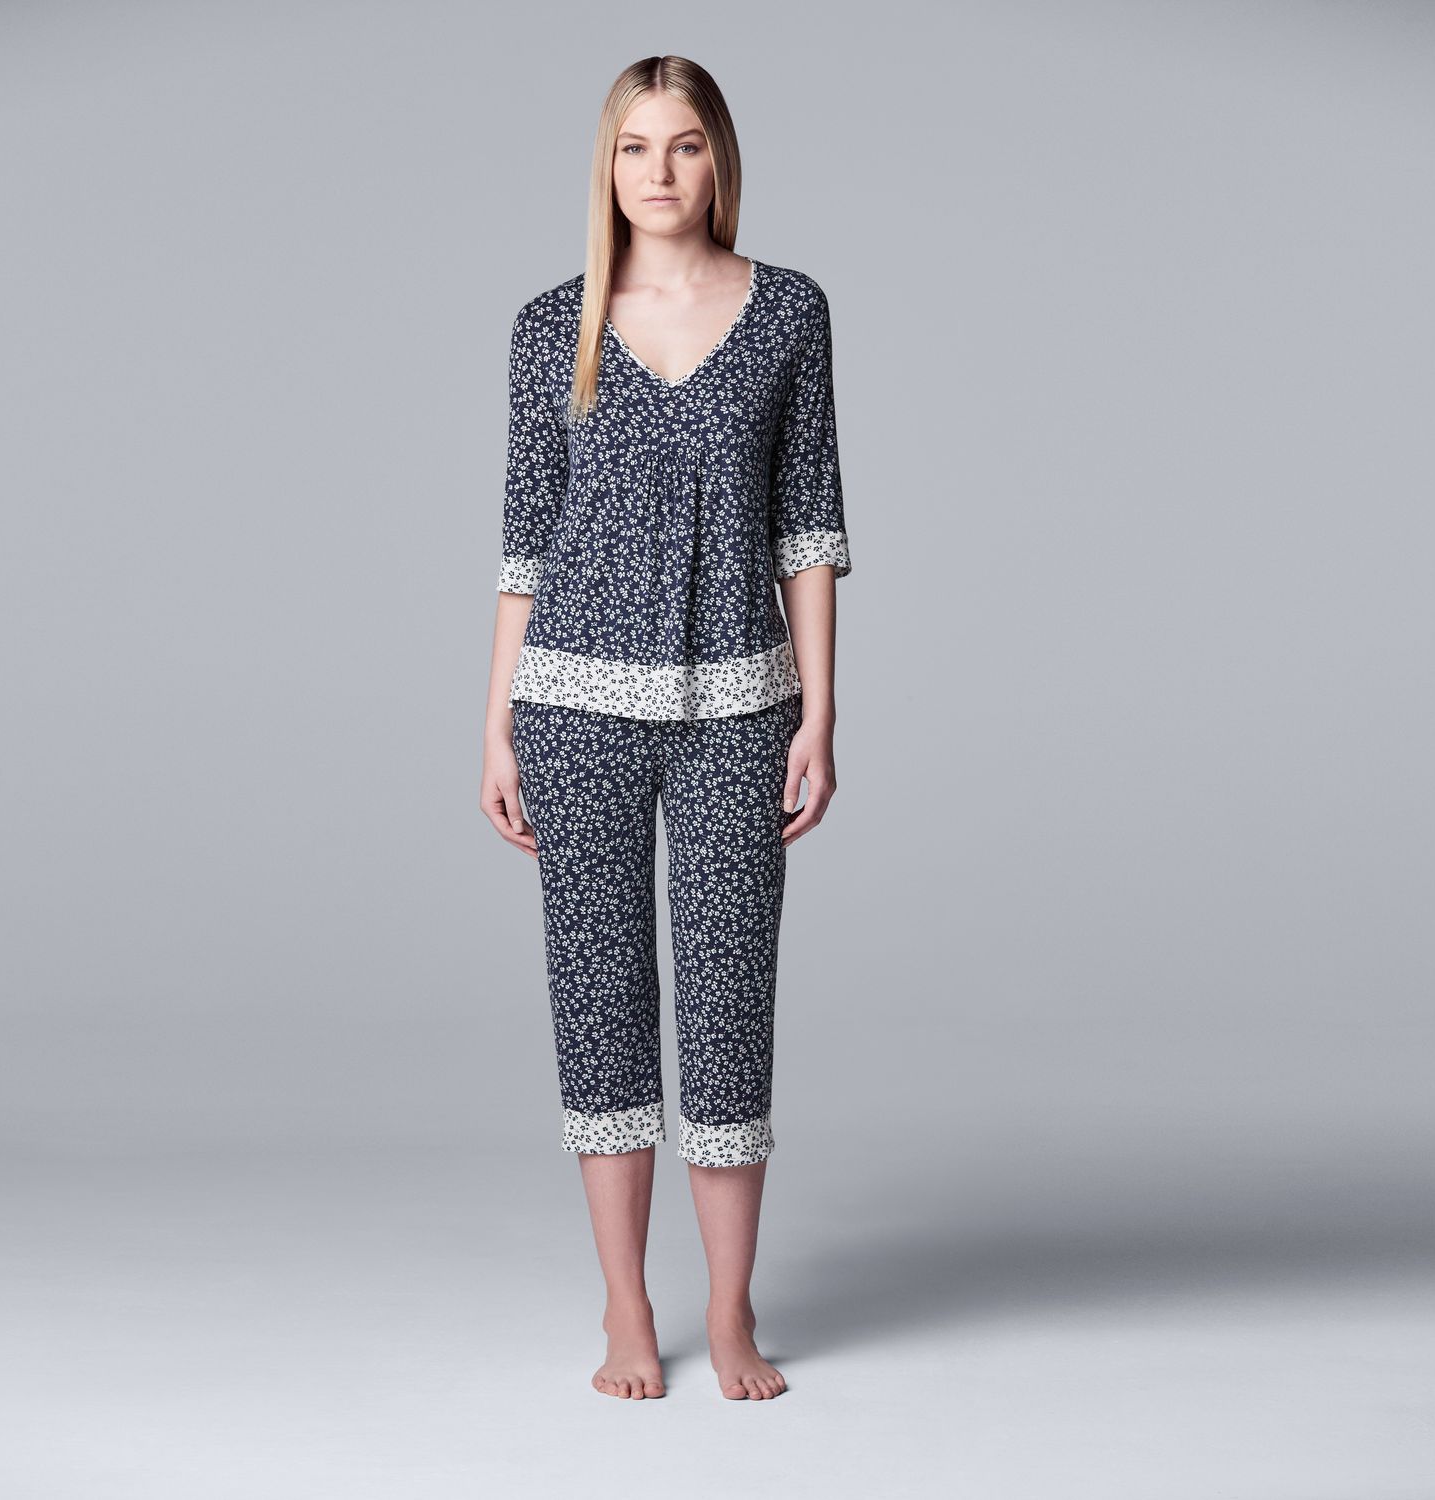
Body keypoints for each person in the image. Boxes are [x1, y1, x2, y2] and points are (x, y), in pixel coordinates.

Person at [479, 54, 852, 1403]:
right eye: (635, 148)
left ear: (719, 161)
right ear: (608, 167)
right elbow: (526, 541)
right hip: (572, 707)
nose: (660, 171)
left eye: (685, 145)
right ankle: (628, 1310)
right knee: (600, 1006)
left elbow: (810, 524)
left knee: (731, 1004)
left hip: (741, 711)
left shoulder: (790, 312)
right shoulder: (552, 326)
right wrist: (496, 726)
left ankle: (733, 1312)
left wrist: (819, 711)